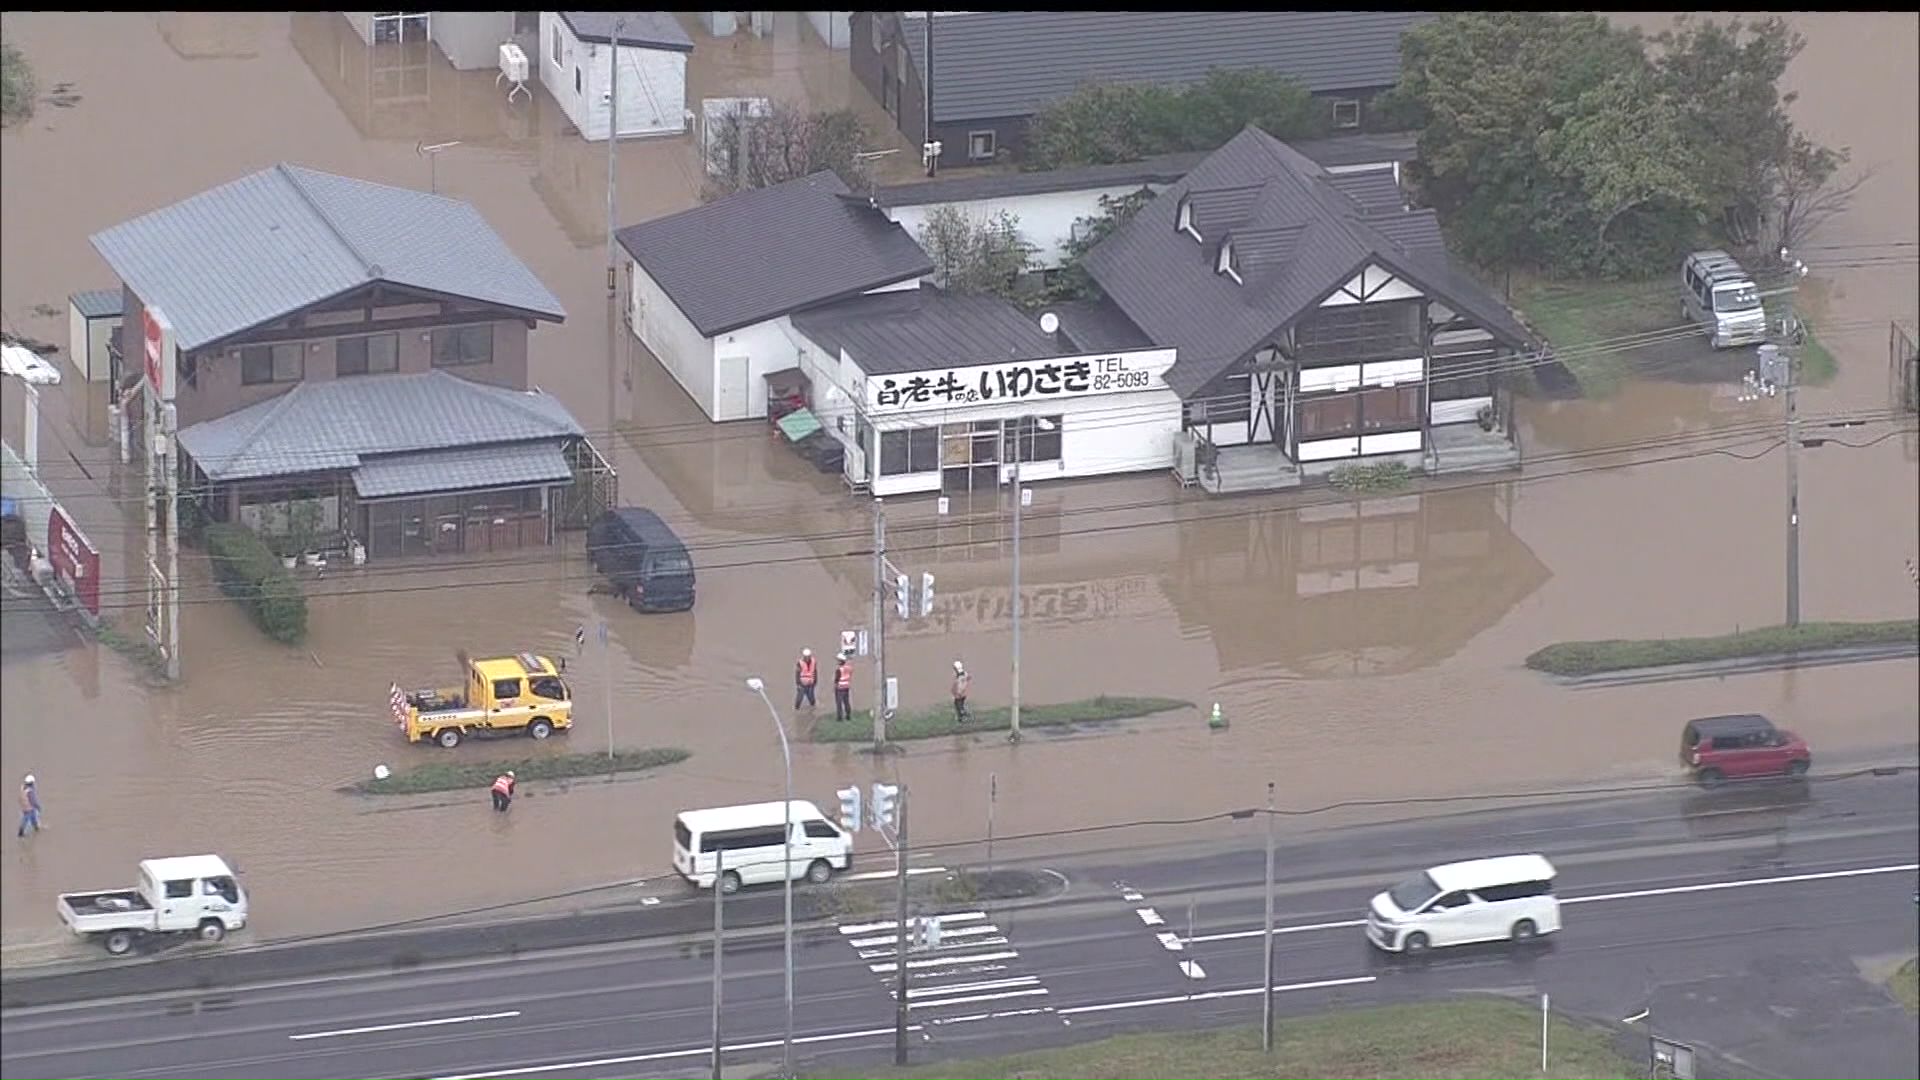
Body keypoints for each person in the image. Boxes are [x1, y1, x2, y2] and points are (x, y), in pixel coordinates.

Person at [834, 652, 854, 723]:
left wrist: (835, 686)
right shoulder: (849, 668)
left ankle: (839, 718)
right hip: (847, 686)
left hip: (840, 688)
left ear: (840, 661)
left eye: (838, 660)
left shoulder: (839, 670)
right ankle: (848, 716)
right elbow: (850, 674)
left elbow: (836, 679)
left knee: (839, 703)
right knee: (846, 702)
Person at [951, 660, 972, 724]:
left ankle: (963, 717)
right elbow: (968, 677)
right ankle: (963, 716)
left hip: (960, 693)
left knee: (958, 705)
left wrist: (958, 692)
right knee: (960, 705)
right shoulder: (964, 674)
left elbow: (960, 685)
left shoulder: (960, 676)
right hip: (962, 693)